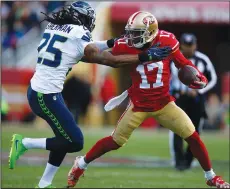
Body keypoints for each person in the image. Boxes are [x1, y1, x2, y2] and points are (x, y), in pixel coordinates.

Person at [8, 2, 171, 188]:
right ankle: (25, 143)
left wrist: (111, 42)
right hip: (45, 95)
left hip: (43, 91)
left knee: (62, 138)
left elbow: (80, 50)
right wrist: (145, 56)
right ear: (82, 18)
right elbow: (107, 60)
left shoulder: (55, 27)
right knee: (75, 141)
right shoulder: (77, 33)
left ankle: (44, 184)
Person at [67, 11, 229, 188]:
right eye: (130, 32)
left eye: (136, 33)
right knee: (115, 141)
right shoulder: (125, 44)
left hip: (164, 103)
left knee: (193, 136)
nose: (131, 37)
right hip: (139, 105)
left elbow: (183, 63)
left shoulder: (168, 40)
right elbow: (96, 55)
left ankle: (210, 176)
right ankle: (81, 164)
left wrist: (198, 76)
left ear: (150, 31)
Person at [169, 33, 217, 171]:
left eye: (191, 45)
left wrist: (199, 91)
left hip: (196, 99)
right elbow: (166, 77)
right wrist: (176, 91)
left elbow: (212, 78)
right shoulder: (174, 58)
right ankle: (179, 161)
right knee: (177, 129)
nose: (189, 48)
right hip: (179, 98)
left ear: (195, 45)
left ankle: (188, 161)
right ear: (181, 45)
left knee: (194, 131)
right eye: (186, 45)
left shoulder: (202, 59)